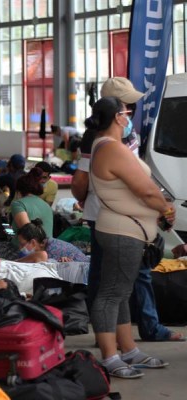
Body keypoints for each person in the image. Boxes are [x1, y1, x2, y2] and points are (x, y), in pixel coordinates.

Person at [72, 77, 183, 342]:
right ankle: (115, 339)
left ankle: (122, 339)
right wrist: (162, 208)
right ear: (114, 109)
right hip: (115, 219)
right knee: (116, 282)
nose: (130, 111)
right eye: (126, 107)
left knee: (119, 282)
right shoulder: (99, 140)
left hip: (130, 217)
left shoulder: (123, 134)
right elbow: (80, 180)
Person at [87, 96, 172, 378]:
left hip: (126, 230)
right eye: (127, 112)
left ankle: (128, 349)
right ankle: (110, 356)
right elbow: (145, 189)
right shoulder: (112, 148)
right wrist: (165, 208)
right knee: (111, 294)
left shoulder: (106, 145)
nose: (129, 118)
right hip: (122, 231)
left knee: (121, 293)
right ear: (117, 117)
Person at [16, 219, 89, 263]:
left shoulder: (52, 249)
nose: (20, 248)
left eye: (22, 244)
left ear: (33, 242)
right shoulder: (48, 244)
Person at [10, 167, 54, 238]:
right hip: (47, 244)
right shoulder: (46, 205)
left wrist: (7, 228)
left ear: (18, 191)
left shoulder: (18, 204)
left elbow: (27, 233)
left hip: (27, 244)